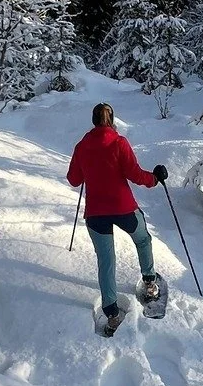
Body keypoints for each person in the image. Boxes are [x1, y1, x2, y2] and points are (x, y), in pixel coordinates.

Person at [67, 102, 168, 331]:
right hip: (124, 209)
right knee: (143, 239)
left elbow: (74, 180)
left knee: (106, 261)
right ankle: (150, 283)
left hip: (96, 214)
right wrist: (155, 179)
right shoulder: (119, 142)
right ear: (112, 120)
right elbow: (135, 174)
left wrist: (88, 170)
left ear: (93, 120)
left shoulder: (82, 146)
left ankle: (112, 313)